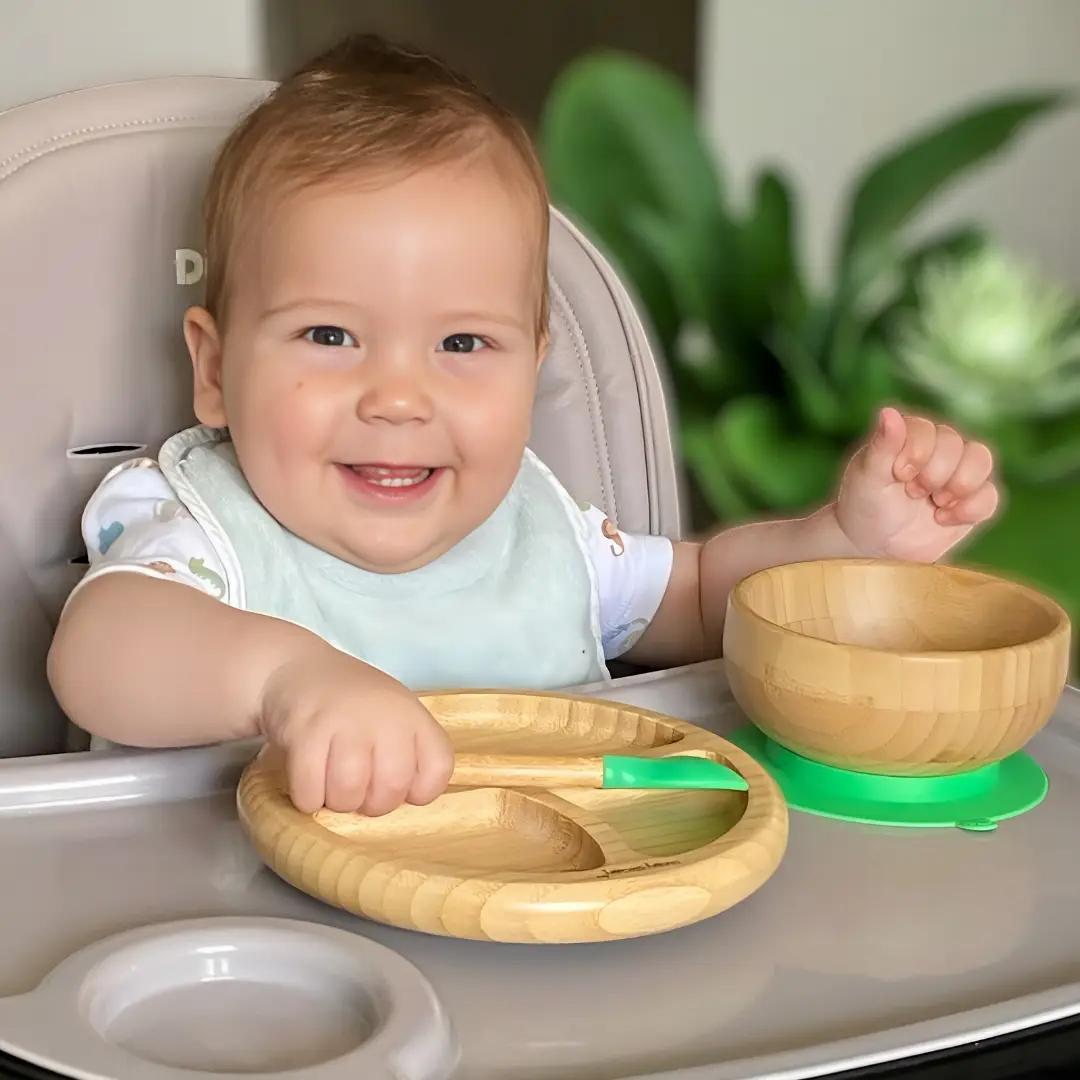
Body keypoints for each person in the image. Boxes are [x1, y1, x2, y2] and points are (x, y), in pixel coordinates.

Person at [47, 35, 999, 819]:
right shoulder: (204, 533)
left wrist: (845, 544)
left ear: (532, 367)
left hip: (541, 923)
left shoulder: (544, 535)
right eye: (330, 335)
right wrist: (288, 681)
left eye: (462, 343)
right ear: (214, 370)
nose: (399, 398)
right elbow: (99, 653)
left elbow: (709, 596)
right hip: (256, 961)